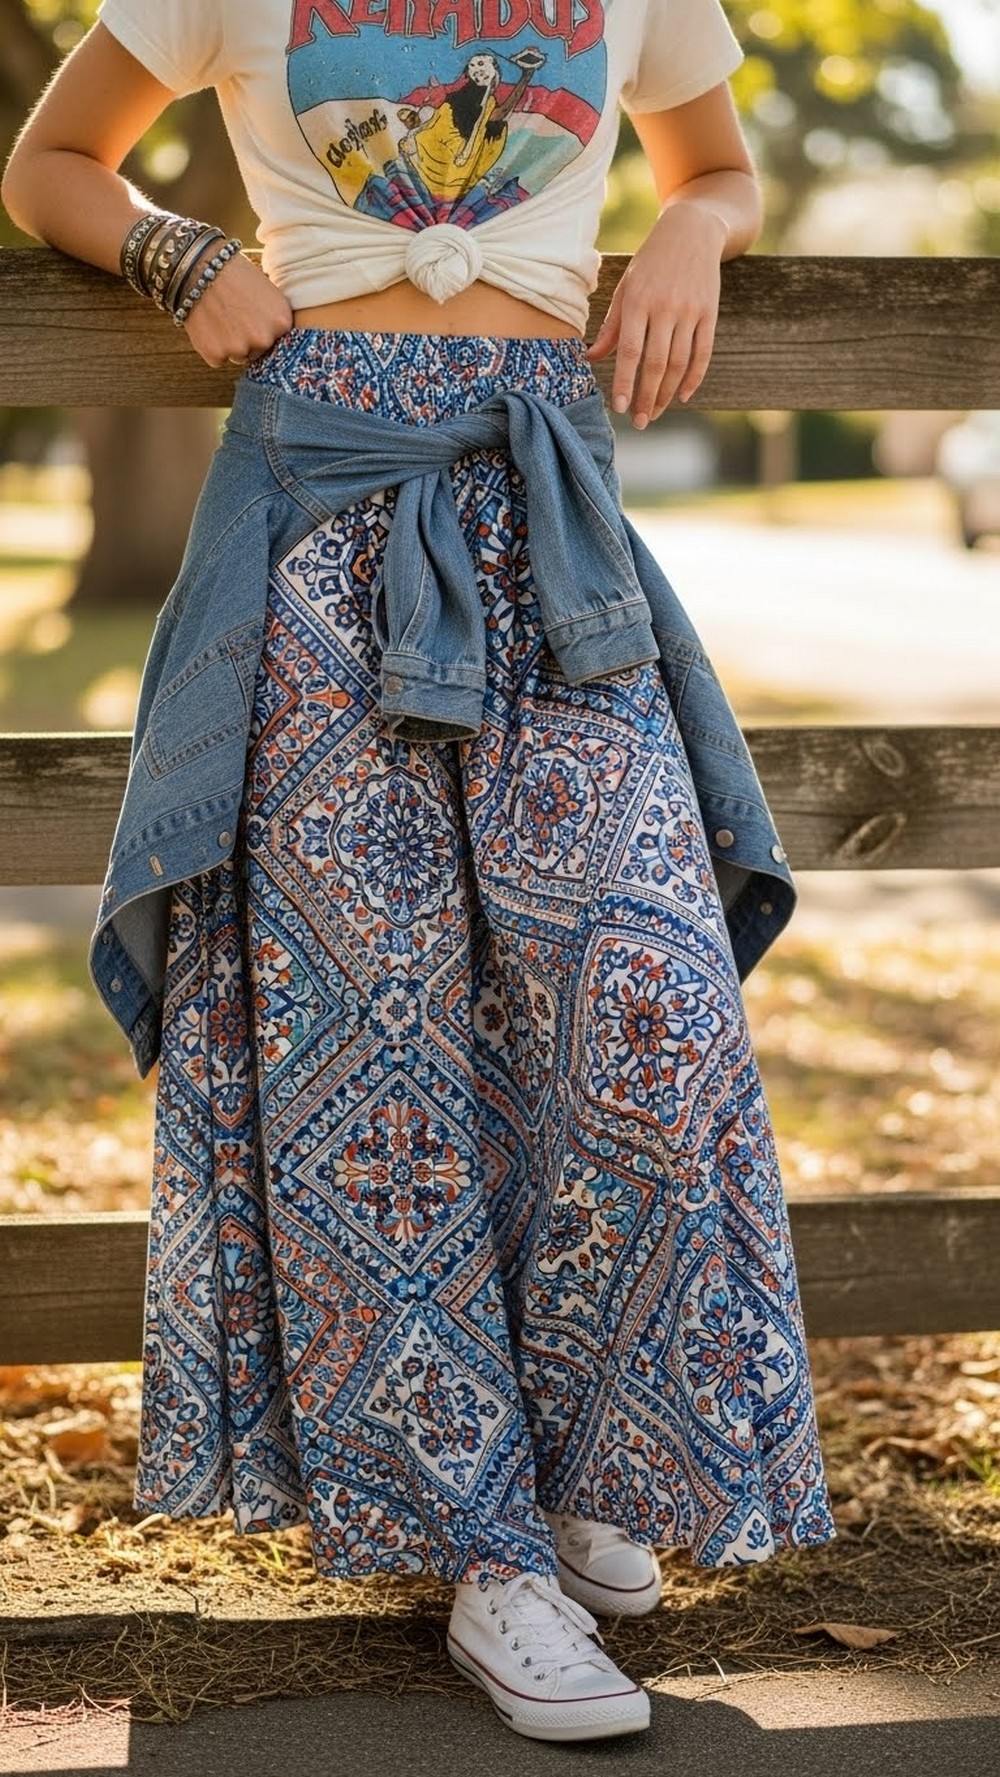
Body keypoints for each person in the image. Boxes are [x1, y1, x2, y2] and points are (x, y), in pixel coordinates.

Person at [3, 0, 837, 1746]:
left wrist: (689, 223)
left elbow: (724, 167)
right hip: (317, 533)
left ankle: (597, 1463)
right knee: (366, 1052)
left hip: (549, 517)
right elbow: (51, 161)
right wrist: (172, 249)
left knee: (644, 999)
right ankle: (482, 1556)